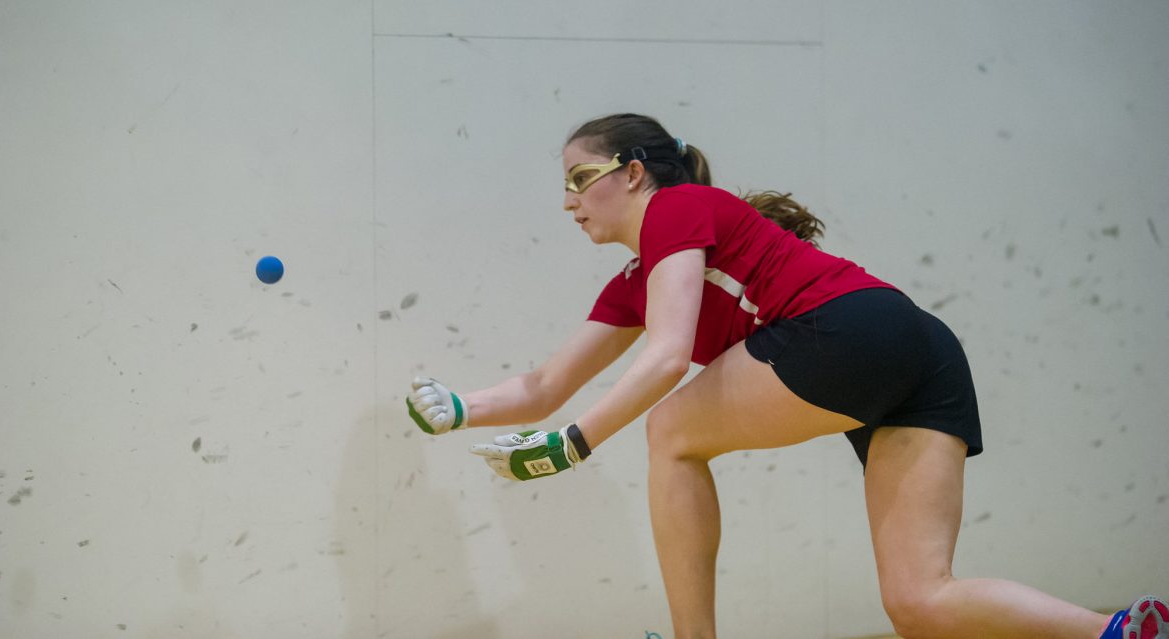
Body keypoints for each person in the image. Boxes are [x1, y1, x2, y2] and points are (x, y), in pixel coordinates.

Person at [406, 113, 1166, 639]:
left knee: (671, 428)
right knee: (918, 601)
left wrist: (574, 443)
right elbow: (544, 386)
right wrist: (459, 407)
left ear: (633, 173)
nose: (568, 200)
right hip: (921, 350)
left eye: (580, 177)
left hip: (847, 328)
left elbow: (667, 357)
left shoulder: (676, 207)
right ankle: (1116, 629)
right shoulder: (635, 283)